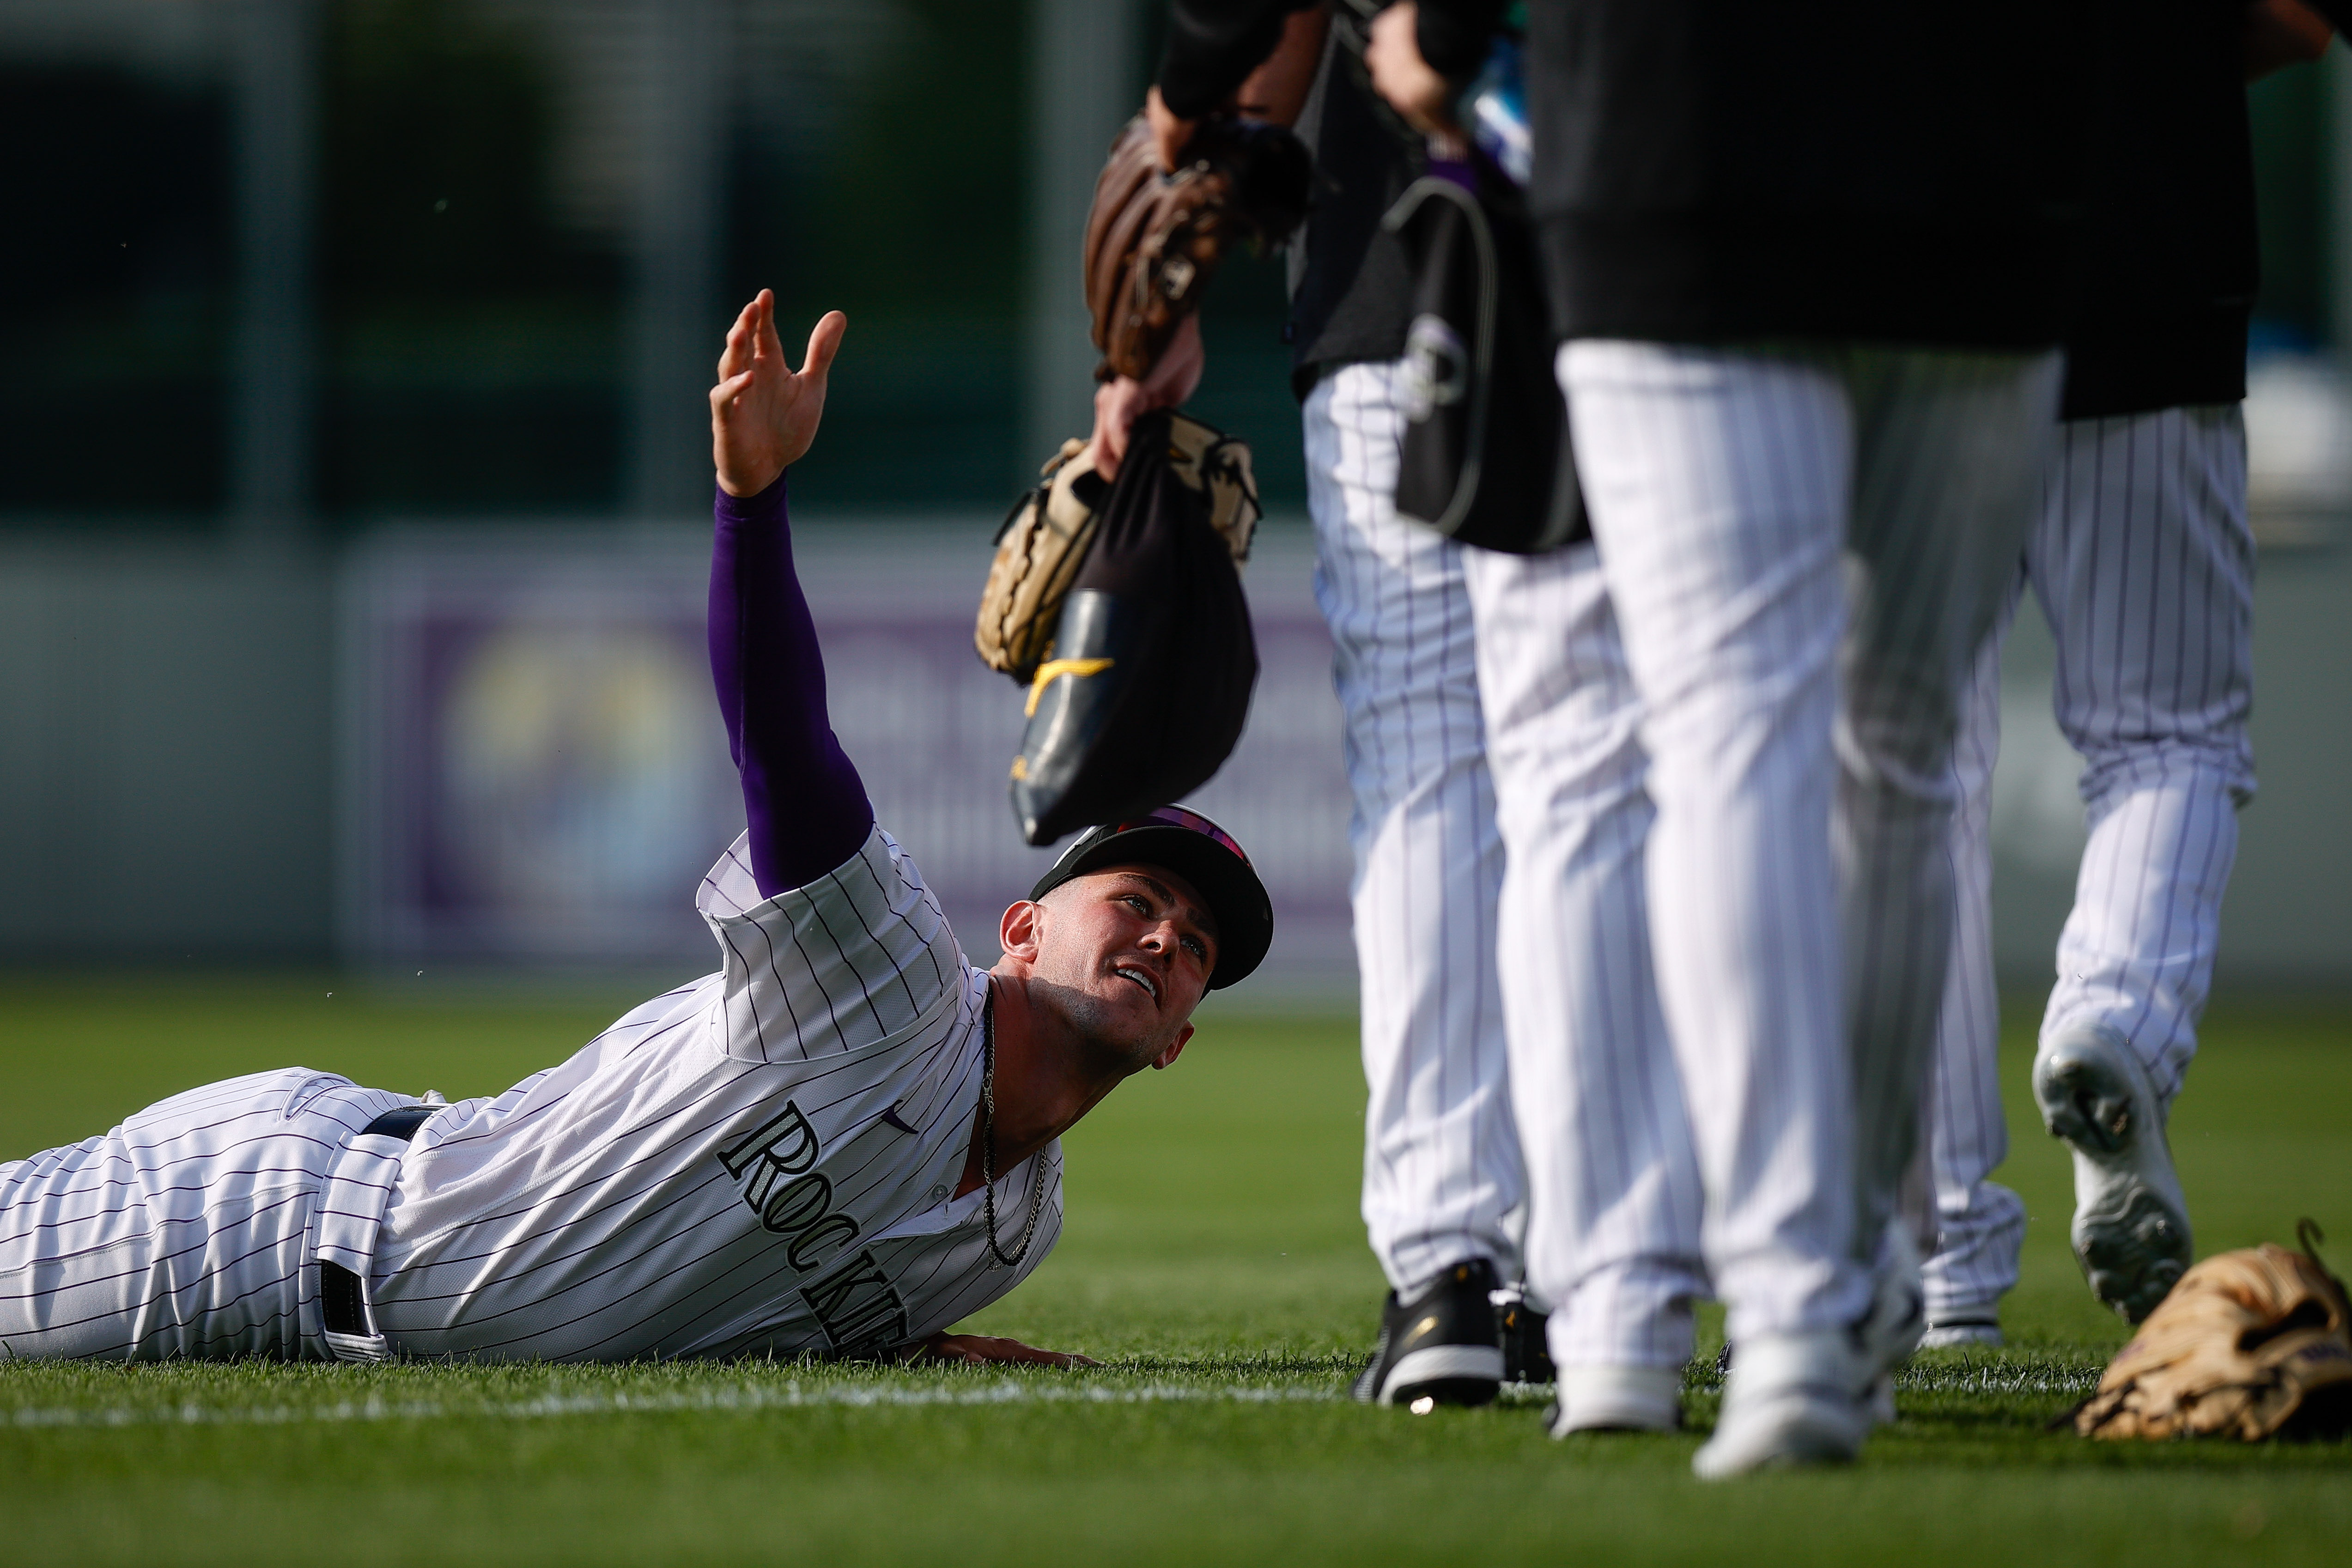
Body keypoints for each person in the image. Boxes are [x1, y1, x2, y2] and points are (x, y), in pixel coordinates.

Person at [0, 292, 1273, 1367]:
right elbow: (783, 748)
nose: (1165, 935)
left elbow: (758, 1310)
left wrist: (925, 1348)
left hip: (364, 1320)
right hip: (267, 1218)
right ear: (1022, 924)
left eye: (1197, 944)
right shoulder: (885, 982)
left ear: (1178, 1041)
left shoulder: (1015, 1231)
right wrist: (750, 497)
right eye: (1138, 897)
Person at [1380, 0, 2087, 1474]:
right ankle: (1814, 1298)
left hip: (1669, 143)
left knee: (1706, 744)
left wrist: (1438, 37)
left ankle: (1701, 1319)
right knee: (1892, 756)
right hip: (1974, 158)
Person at [1127, 0, 1706, 1418]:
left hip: (1403, 283)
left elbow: (1255, 31)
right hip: (1649, 255)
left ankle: (1449, 1266)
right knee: (1606, 773)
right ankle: (1602, 1280)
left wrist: (1174, 178)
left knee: (1432, 769)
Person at [1923, 0, 2338, 1343]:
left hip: (1909, 270)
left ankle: (1930, 1253)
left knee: (1901, 766)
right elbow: (2290, 18)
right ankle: (2113, 1018)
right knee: (2167, 737)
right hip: (2145, 252)